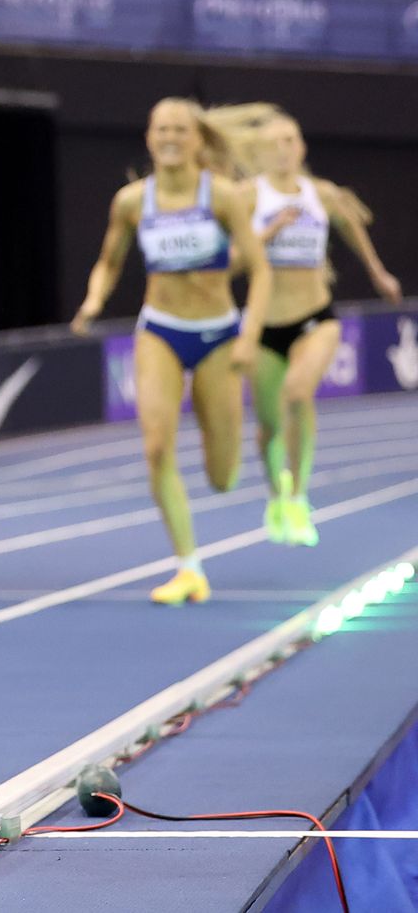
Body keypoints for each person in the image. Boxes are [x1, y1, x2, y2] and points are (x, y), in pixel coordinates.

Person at [71, 99, 271, 605]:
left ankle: (235, 455)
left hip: (219, 335)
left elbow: (262, 269)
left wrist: (248, 336)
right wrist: (94, 299)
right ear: (148, 136)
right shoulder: (133, 202)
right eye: (162, 129)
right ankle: (188, 568)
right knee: (157, 446)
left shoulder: (222, 196)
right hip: (159, 329)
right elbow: (108, 261)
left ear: (197, 139)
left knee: (222, 475)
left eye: (181, 129)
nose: (171, 137)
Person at [232, 109, 399, 545]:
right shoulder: (248, 196)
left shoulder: (320, 194)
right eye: (275, 142)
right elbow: (232, 261)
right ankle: (276, 495)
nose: (285, 148)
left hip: (315, 317)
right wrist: (268, 231)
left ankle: (301, 497)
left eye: (292, 139)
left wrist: (378, 273)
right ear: (262, 152)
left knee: (298, 393)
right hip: (266, 325)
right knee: (267, 426)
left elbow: (352, 229)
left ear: (302, 147)